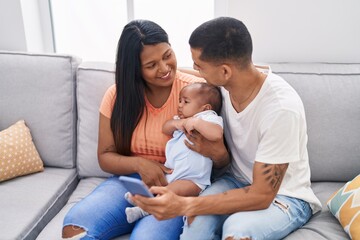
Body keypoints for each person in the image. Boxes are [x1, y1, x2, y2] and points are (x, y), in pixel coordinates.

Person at [131, 17, 322, 240]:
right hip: (234, 180)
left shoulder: (281, 109)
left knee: (237, 230)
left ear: (224, 71)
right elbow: (174, 74)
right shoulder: (220, 87)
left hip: (284, 196)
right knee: (196, 227)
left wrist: (185, 203)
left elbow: (262, 195)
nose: (194, 70)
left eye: (199, 66)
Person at [61, 19, 228, 240]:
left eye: (168, 55)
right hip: (132, 180)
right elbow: (105, 156)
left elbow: (239, 74)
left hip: (178, 185)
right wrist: (140, 164)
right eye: (151, 65)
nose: (165, 68)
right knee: (74, 227)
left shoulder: (196, 93)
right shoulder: (116, 95)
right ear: (135, 69)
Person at [125, 82, 223, 223]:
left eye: (186, 101)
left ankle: (141, 211)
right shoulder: (182, 120)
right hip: (172, 172)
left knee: (169, 192)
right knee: (155, 185)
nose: (180, 105)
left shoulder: (208, 117)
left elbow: (216, 134)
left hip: (193, 180)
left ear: (205, 108)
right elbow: (166, 128)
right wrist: (179, 124)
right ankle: (140, 198)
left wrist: (196, 122)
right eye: (179, 101)